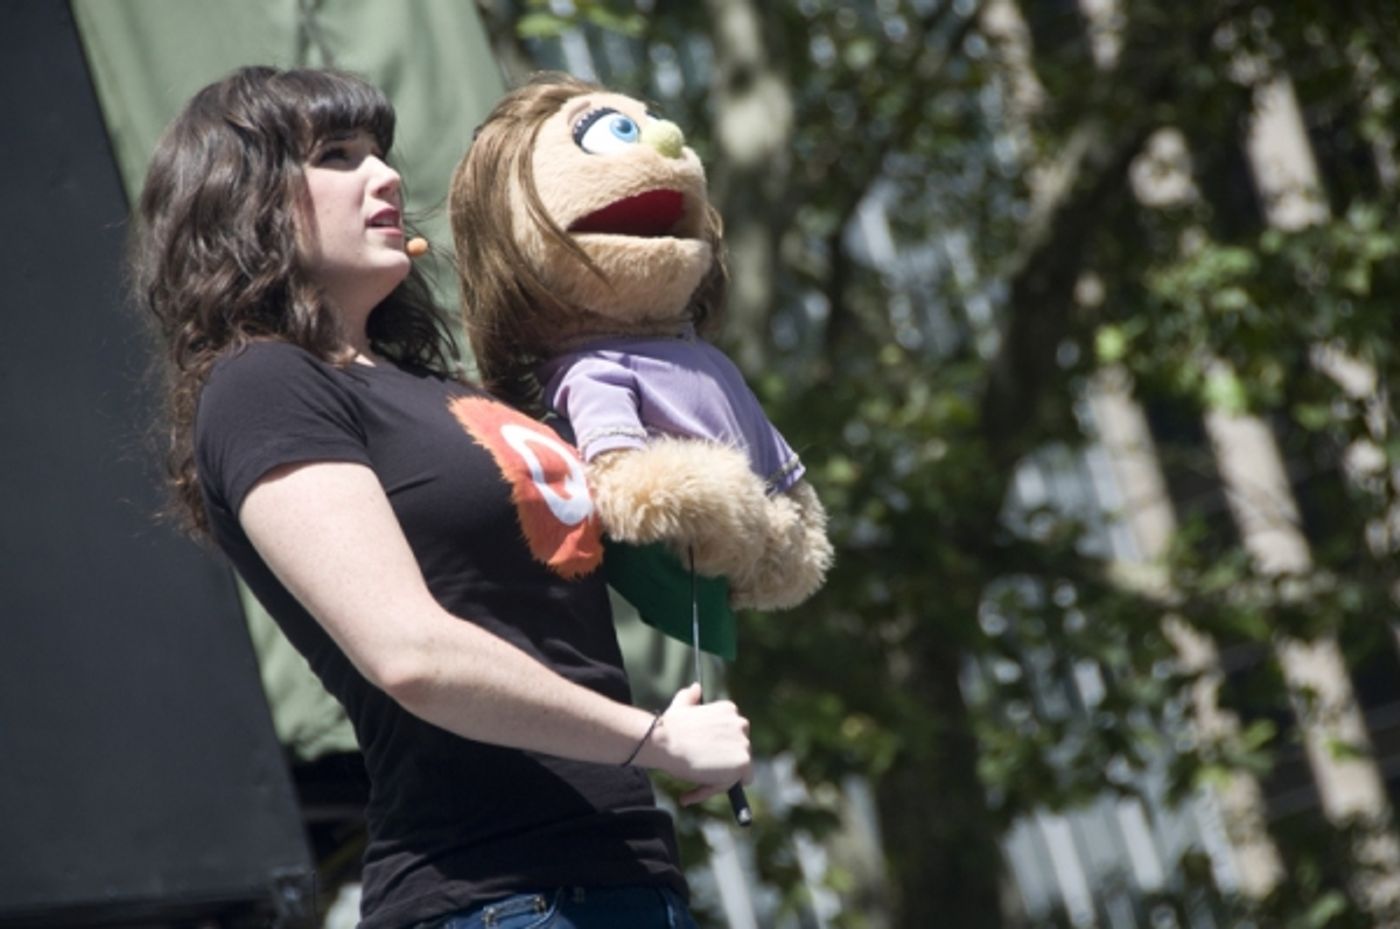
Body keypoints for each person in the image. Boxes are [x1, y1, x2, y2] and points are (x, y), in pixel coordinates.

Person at [130, 65, 751, 929]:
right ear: (244, 201)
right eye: (338, 157)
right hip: (495, 894)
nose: (384, 175)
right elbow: (410, 652)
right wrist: (647, 737)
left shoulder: (436, 388)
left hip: (622, 877)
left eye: (381, 152)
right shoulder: (262, 383)